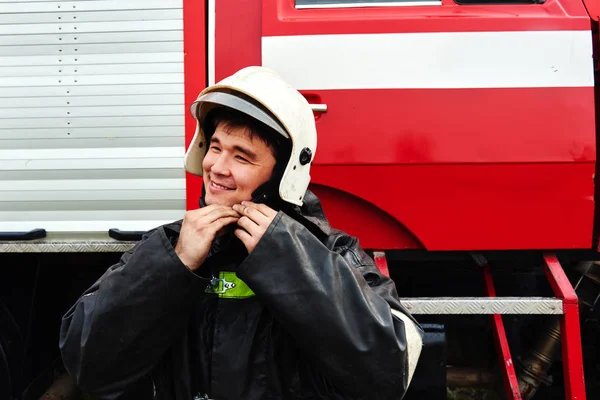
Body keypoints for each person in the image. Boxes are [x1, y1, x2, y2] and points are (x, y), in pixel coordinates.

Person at [59, 67, 423, 400]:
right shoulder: (171, 245)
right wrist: (174, 265)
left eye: (241, 157)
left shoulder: (330, 252)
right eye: (215, 147)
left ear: (281, 175)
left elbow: (390, 371)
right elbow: (88, 364)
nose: (217, 167)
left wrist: (286, 258)